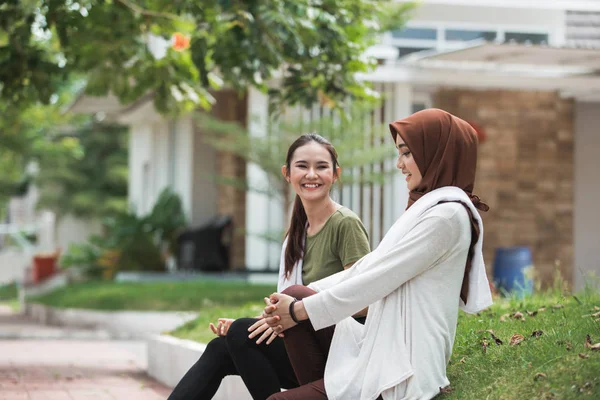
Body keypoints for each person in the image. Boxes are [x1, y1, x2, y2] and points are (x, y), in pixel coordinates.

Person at [262, 109, 493, 400]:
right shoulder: (428, 209)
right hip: (380, 348)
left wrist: (298, 311)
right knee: (295, 292)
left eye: (407, 153)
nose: (399, 164)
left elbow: (377, 281)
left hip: (402, 366)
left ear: (436, 153)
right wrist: (295, 300)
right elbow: (366, 267)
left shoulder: (446, 217)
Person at [167, 133, 371, 400]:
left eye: (321, 166)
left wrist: (255, 325)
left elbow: (365, 300)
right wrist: (260, 322)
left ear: (335, 174)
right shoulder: (297, 233)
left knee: (240, 333)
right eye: (302, 166)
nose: (312, 174)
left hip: (342, 351)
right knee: (223, 345)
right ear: (287, 173)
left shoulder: (345, 223)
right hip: (305, 343)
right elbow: (282, 307)